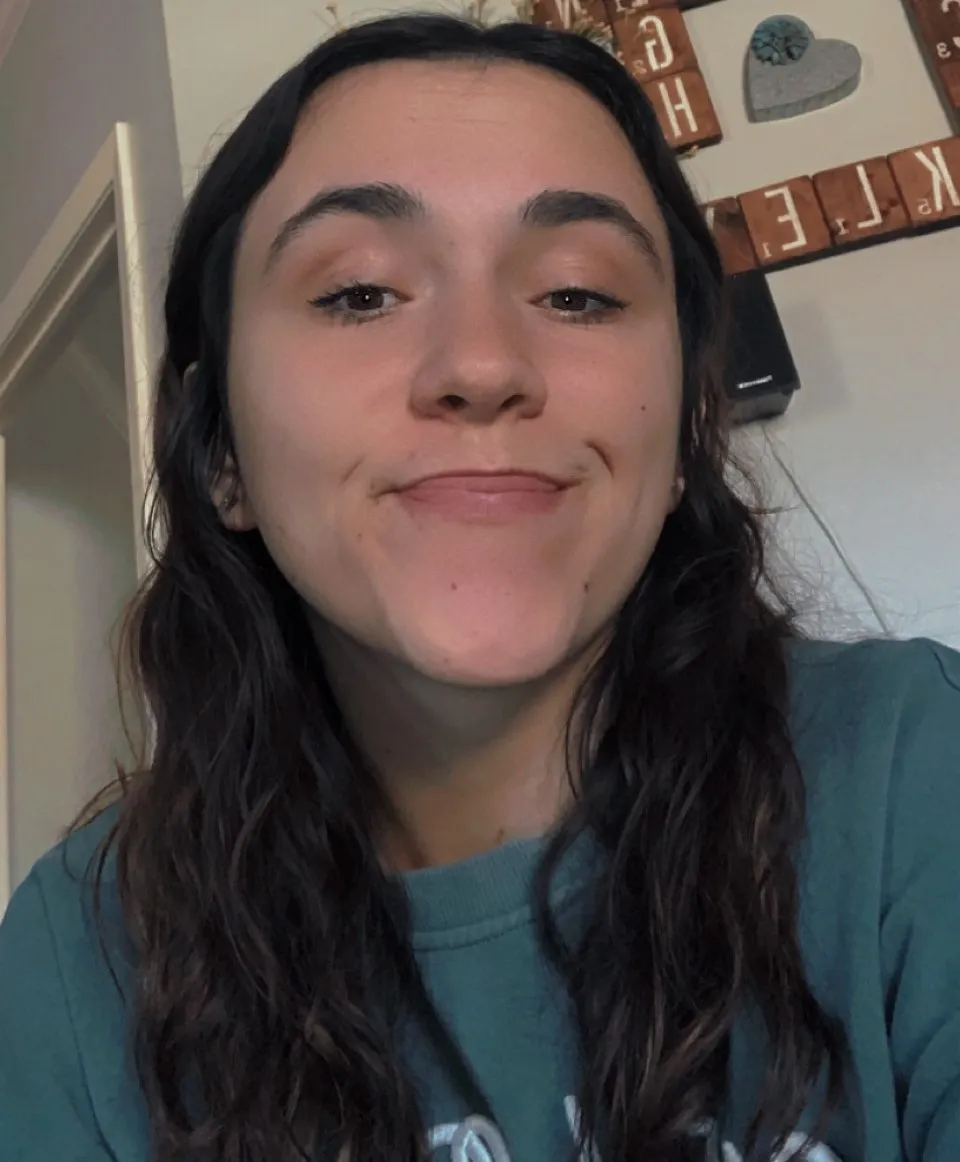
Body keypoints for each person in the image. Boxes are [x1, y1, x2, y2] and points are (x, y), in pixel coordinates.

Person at [0, 12, 958, 1162]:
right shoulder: (78, 957)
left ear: (685, 432)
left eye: (578, 293)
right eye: (359, 292)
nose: (484, 364)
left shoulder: (920, 769)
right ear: (221, 453)